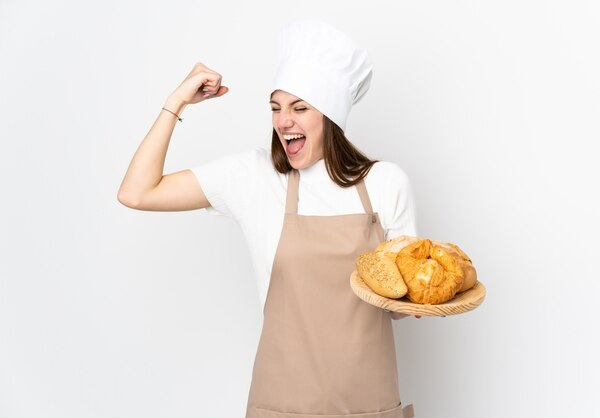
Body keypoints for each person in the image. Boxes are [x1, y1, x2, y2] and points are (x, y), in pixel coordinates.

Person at [118, 20, 417, 418]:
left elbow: (399, 307)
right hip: (282, 405)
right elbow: (137, 193)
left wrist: (417, 297)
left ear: (330, 116)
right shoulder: (255, 177)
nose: (283, 122)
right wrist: (176, 102)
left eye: (299, 108)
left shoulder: (386, 183)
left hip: (369, 406)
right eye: (276, 108)